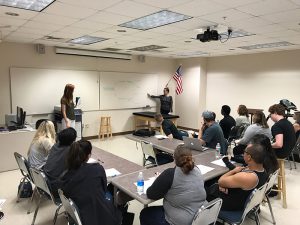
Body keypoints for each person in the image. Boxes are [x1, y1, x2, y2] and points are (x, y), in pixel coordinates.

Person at [140, 145, 206, 225]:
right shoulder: (197, 169)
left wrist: (159, 180)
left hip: (183, 221)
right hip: (202, 216)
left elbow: (151, 194)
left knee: (145, 213)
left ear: (174, 159)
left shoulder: (170, 174)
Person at [62, 140, 122, 225]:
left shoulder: (66, 176)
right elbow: (104, 189)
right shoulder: (97, 168)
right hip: (103, 218)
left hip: (81, 216)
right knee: (114, 191)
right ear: (88, 155)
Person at [208, 144, 268, 211]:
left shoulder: (247, 177)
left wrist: (233, 171)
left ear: (249, 157)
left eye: (244, 152)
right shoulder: (263, 170)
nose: (243, 154)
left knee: (205, 187)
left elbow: (220, 181)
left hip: (231, 205)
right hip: (241, 198)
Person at [43, 127, 77, 194]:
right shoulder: (70, 150)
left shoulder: (55, 146)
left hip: (43, 178)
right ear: (72, 141)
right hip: (54, 184)